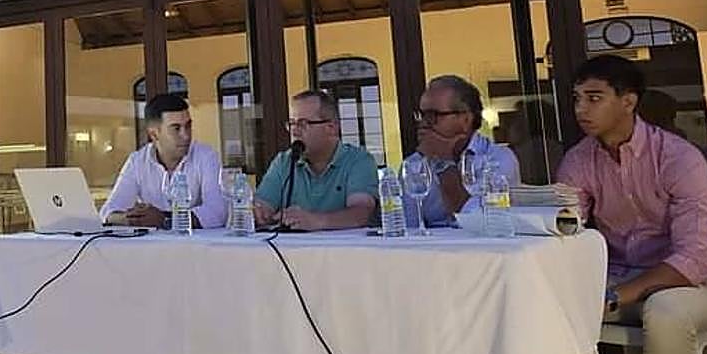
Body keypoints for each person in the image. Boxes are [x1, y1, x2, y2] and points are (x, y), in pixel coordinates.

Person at [557, 55, 707, 354]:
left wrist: (613, 296)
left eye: (594, 98)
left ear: (628, 102)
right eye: (577, 98)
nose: (581, 108)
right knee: (540, 305)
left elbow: (694, 259)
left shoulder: (679, 158)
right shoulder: (579, 160)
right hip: (622, 279)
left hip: (703, 282)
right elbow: (565, 230)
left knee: (667, 309)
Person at [252, 90, 378, 231]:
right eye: (292, 124)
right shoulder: (284, 162)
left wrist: (316, 221)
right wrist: (258, 213)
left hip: (346, 251)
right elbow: (262, 206)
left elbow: (361, 213)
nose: (295, 132)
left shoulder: (358, 160)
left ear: (331, 128)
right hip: (290, 250)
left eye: (303, 123)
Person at [404, 75, 520, 228]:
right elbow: (410, 227)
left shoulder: (498, 158)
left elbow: (476, 219)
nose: (424, 123)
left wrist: (442, 161)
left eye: (433, 115)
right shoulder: (414, 163)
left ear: (466, 119)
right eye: (421, 115)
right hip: (432, 248)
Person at [100, 93, 225, 229]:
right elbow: (108, 212)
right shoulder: (137, 161)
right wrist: (130, 219)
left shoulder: (206, 156)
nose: (186, 135)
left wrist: (165, 220)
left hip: (197, 246)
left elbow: (217, 213)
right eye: (176, 129)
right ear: (154, 134)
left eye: (188, 126)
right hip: (151, 247)